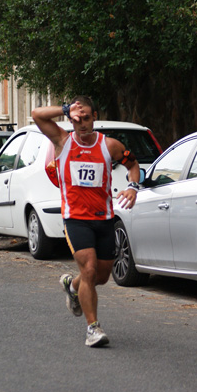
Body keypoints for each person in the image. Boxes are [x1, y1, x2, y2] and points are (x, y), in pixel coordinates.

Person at [32, 96, 140, 347]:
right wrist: (65, 109)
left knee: (101, 276)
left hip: (104, 218)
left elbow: (132, 164)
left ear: (95, 118)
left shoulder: (109, 146)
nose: (82, 125)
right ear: (71, 119)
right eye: (77, 119)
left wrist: (133, 187)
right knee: (89, 268)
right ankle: (93, 328)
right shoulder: (62, 141)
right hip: (75, 219)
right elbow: (38, 114)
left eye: (87, 118)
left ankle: (72, 285)